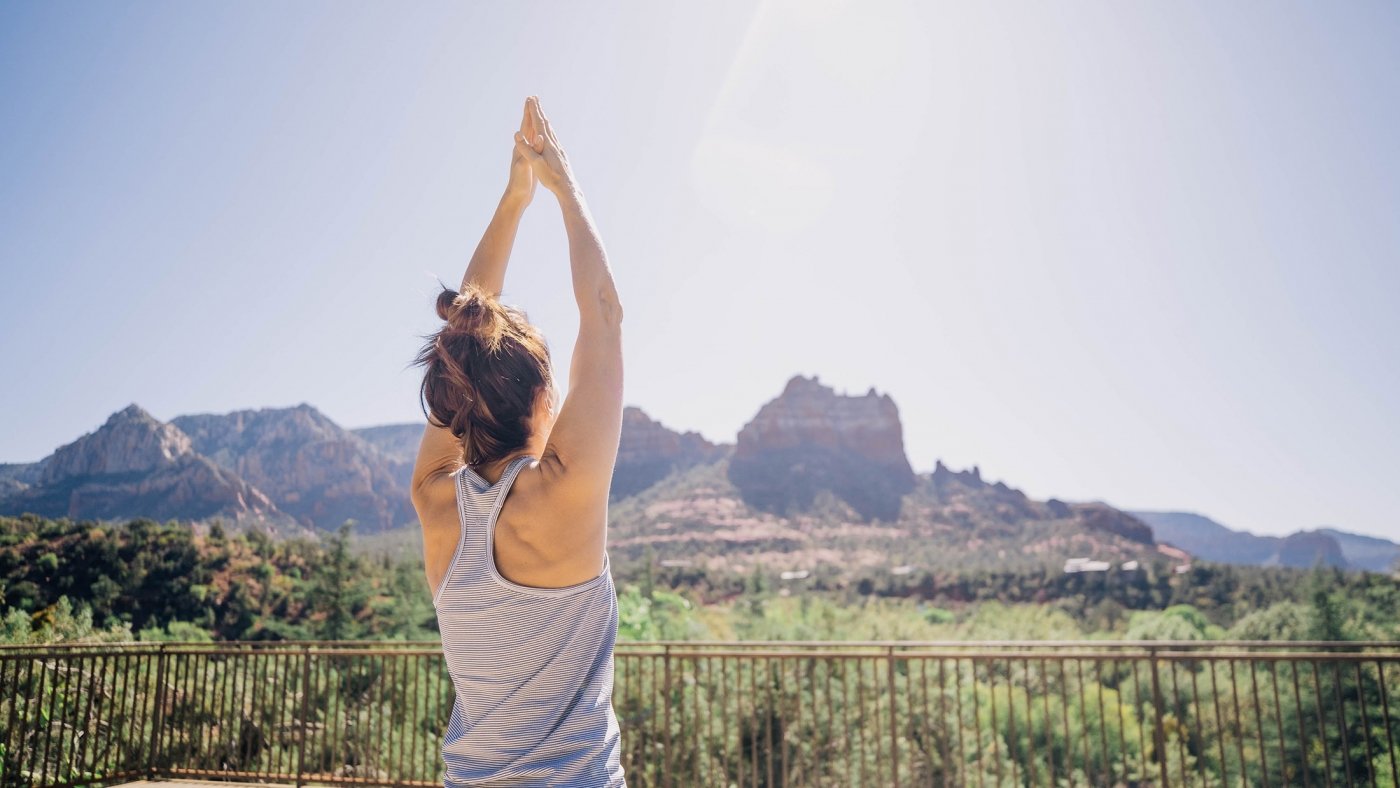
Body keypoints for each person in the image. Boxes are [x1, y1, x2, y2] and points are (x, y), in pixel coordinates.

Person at [409, 95, 626, 787]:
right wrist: (561, 184)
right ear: (544, 399)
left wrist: (514, 202)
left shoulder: (434, 502)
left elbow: (463, 358)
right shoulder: (561, 497)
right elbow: (605, 314)